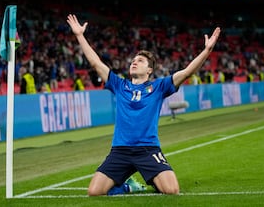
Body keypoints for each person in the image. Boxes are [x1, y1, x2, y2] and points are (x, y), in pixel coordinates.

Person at [66, 14, 221, 196]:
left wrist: (207, 51)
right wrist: (79, 36)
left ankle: (151, 179)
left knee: (172, 190)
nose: (134, 62)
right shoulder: (119, 84)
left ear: (149, 70)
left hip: (147, 150)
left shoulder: (159, 87)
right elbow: (95, 62)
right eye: (133, 60)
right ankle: (127, 186)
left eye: (140, 61)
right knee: (94, 192)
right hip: (120, 151)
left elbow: (187, 72)